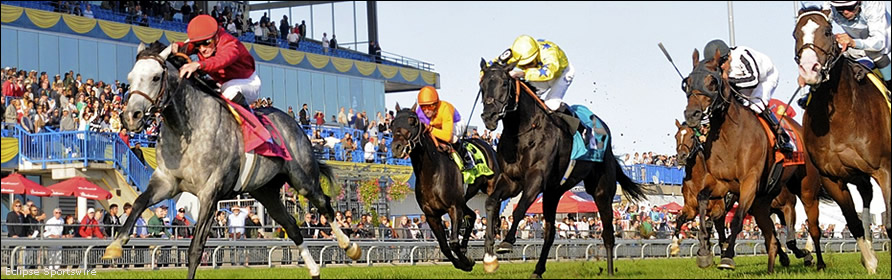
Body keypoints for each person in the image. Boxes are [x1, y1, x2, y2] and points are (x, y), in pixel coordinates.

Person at [702, 39, 794, 152]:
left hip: (765, 78)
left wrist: (728, 81)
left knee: (756, 105)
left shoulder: (742, 54)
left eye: (721, 64)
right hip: (742, 83)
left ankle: (782, 135)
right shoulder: (721, 66)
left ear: (728, 57)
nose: (719, 68)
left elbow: (753, 80)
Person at [171, 15, 260, 110]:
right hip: (222, 83)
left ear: (216, 37)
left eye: (206, 43)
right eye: (198, 45)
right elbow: (188, 46)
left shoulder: (230, 44)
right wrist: (178, 46)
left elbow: (221, 60)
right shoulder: (204, 41)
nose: (202, 49)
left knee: (229, 90)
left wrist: (198, 64)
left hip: (248, 82)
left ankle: (251, 122)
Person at [824, 1, 891, 85]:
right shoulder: (829, 5)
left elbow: (879, 44)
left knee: (875, 53)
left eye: (850, 7)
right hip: (855, 37)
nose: (845, 12)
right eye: (839, 8)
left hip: (884, 38)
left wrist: (853, 42)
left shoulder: (873, 4)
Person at [414, 86, 476, 171]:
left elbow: (447, 136)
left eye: (430, 106)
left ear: (436, 104)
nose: (426, 110)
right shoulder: (419, 112)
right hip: (437, 126)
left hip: (456, 124)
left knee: (451, 137)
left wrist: (431, 129)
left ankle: (466, 157)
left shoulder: (445, 109)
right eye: (423, 107)